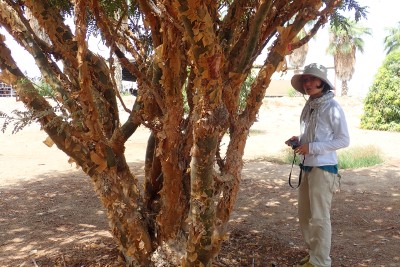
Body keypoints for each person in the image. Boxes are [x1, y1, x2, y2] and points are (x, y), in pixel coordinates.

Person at [285, 63, 350, 267]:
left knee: (320, 217)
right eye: (305, 80)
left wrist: (311, 147)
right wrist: (300, 139)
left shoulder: (332, 107)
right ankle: (314, 254)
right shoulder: (309, 106)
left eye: (313, 79)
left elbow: (343, 140)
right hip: (307, 166)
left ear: (322, 82)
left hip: (323, 168)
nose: (308, 83)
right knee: (304, 215)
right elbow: (315, 134)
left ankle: (321, 261)